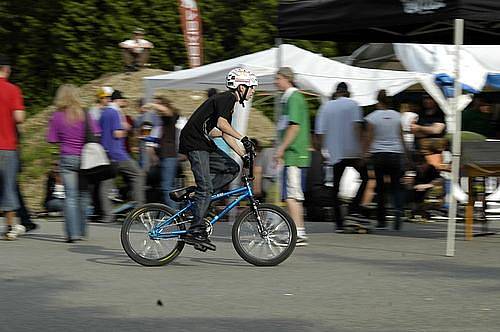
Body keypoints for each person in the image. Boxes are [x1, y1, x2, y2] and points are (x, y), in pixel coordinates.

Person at [178, 67, 257, 249]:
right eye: (251, 87)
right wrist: (243, 138)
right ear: (241, 87)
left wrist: (243, 155)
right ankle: (196, 230)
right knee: (205, 188)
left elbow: (223, 132)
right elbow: (223, 125)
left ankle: (202, 199)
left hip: (204, 143)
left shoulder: (228, 103)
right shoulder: (228, 98)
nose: (253, 91)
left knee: (232, 168)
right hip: (195, 143)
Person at [47, 84, 99, 242]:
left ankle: (72, 234)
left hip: (67, 158)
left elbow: (51, 139)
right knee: (83, 195)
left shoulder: (57, 115)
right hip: (85, 160)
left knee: (70, 197)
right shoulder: (85, 113)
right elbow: (96, 132)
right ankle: (82, 231)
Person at [315, 82, 368, 233]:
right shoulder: (354, 105)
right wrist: (362, 151)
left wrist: (321, 151)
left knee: (335, 188)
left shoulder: (325, 107)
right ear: (348, 92)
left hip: (335, 153)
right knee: (365, 178)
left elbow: (319, 133)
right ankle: (354, 208)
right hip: (353, 151)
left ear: (336, 92)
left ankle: (339, 222)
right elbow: (357, 127)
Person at [274, 67, 311, 245]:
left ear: (287, 79)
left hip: (294, 154)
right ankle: (297, 230)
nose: (276, 82)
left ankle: (298, 232)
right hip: (293, 154)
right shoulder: (289, 98)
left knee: (291, 195)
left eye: (278, 78)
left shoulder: (293, 98)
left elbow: (294, 127)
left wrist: (281, 148)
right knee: (293, 195)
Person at [99, 90, 145, 223]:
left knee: (105, 184)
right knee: (138, 174)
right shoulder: (115, 112)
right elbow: (117, 134)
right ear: (118, 100)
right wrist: (127, 129)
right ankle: (139, 211)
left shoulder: (104, 113)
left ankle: (107, 215)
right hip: (118, 153)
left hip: (105, 154)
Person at [365, 90, 406, 230]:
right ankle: (398, 212)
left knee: (381, 188)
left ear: (378, 102)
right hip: (396, 153)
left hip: (379, 154)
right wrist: (406, 155)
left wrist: (365, 154)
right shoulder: (397, 116)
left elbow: (369, 137)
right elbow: (401, 136)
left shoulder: (372, 117)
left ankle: (381, 220)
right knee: (396, 186)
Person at [0, 54, 26, 240]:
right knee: (8, 186)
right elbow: (19, 117)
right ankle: (10, 227)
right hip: (7, 146)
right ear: (6, 69)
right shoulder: (12, 89)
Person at [144, 97, 180, 208]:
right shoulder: (162, 120)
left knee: (166, 187)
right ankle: (170, 211)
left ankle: (175, 213)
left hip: (169, 156)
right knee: (164, 186)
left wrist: (152, 105)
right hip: (164, 157)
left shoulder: (171, 116)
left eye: (158, 104)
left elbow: (166, 111)